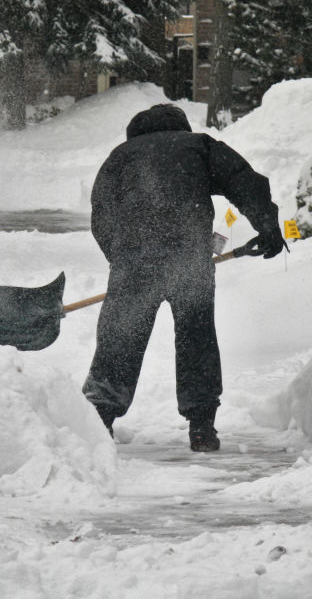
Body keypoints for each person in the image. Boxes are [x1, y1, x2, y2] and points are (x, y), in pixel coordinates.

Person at [82, 103, 285, 452]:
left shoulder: (120, 156)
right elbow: (243, 180)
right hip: (188, 256)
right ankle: (202, 427)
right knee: (196, 336)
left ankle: (100, 420)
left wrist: (121, 258)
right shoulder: (197, 146)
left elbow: (101, 213)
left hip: (135, 260)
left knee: (121, 336)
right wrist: (266, 224)